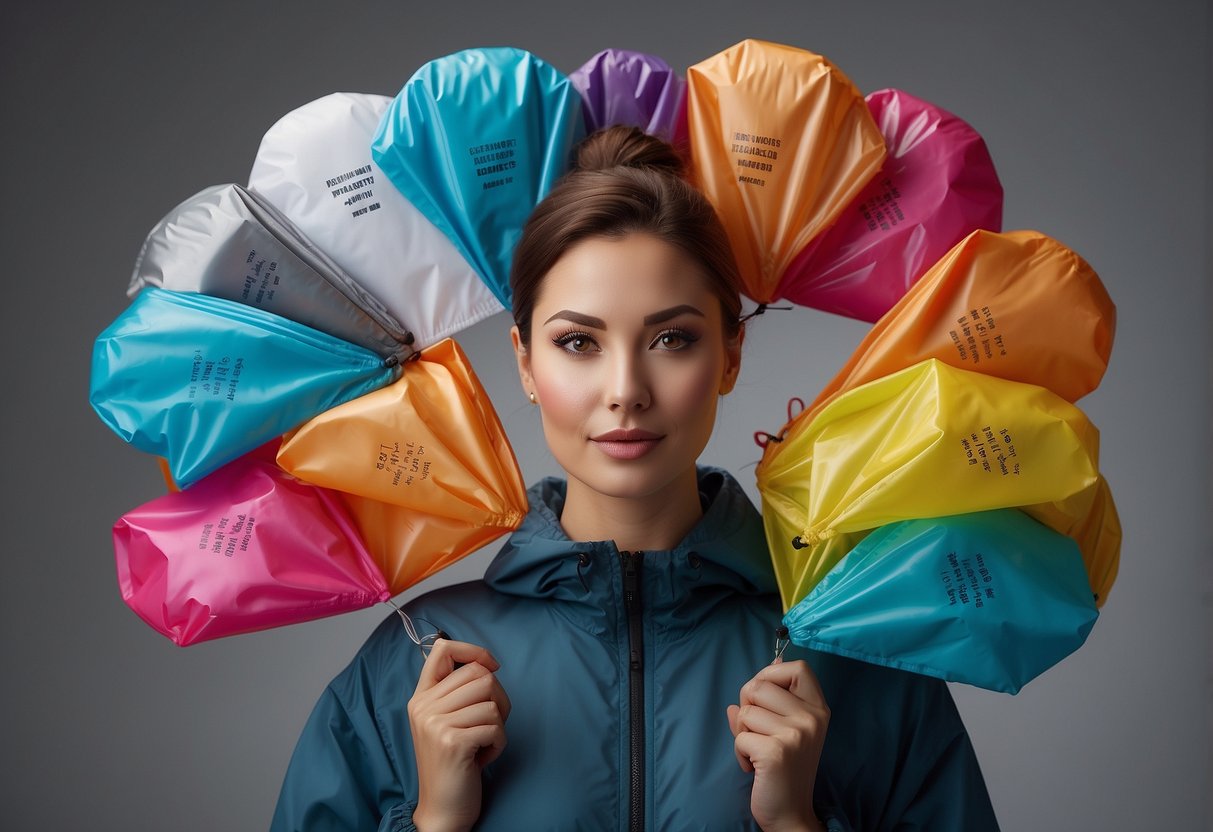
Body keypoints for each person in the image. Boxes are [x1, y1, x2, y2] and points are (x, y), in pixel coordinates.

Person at [270, 125, 1000, 831]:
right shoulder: (416, 660)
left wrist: (795, 825)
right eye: (578, 342)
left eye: (670, 339)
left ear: (731, 353)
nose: (625, 389)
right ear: (526, 362)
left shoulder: (856, 652)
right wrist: (434, 821)